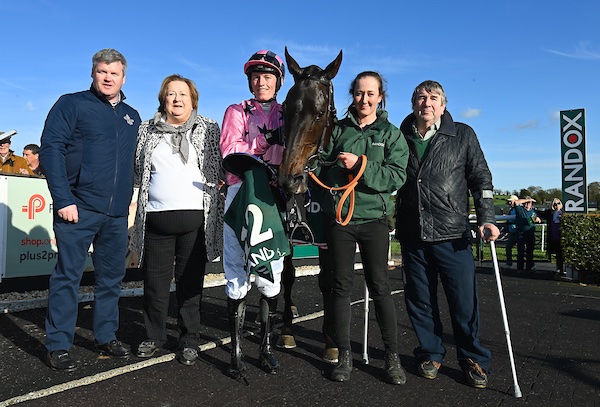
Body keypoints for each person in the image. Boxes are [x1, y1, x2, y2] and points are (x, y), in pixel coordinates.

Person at [39, 49, 140, 371]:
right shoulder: (71, 104)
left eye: (114, 73)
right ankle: (58, 345)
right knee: (67, 276)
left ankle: (106, 335)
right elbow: (51, 149)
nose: (108, 78)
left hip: (115, 213)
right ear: (93, 73)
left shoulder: (131, 116)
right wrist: (64, 198)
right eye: (102, 72)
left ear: (124, 78)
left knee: (111, 278)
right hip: (78, 207)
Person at [395, 80, 499, 389]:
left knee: (463, 303)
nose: (426, 102)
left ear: (443, 104)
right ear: (413, 103)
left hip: (452, 235)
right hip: (413, 234)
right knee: (420, 301)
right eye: (420, 97)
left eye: (433, 98)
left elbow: (480, 176)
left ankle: (473, 358)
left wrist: (487, 217)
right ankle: (430, 353)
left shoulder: (463, 134)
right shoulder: (399, 136)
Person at [318, 71, 409, 384]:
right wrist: (332, 176)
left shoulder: (392, 134)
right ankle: (344, 356)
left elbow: (396, 176)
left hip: (374, 221)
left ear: (380, 96)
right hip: (341, 221)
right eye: (359, 93)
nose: (364, 99)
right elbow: (320, 166)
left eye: (371, 94)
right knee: (341, 286)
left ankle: (392, 358)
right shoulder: (337, 130)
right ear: (352, 95)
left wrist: (360, 166)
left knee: (380, 286)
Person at [129, 75, 224, 365]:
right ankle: (154, 336)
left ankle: (189, 340)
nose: (177, 99)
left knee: (190, 285)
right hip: (156, 219)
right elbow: (137, 169)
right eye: (171, 94)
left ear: (192, 99)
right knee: (155, 285)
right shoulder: (147, 129)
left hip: (195, 222)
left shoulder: (208, 128)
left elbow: (217, 167)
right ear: (163, 99)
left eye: (183, 94)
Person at [220, 50, 286, 379]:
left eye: (268, 76)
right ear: (249, 80)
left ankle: (266, 347)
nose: (261, 82)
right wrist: (265, 143)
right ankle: (235, 352)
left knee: (270, 270)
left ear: (279, 81)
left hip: (272, 197)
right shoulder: (236, 110)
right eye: (256, 76)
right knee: (235, 269)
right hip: (240, 195)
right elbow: (231, 150)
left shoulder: (289, 114)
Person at [514, 196, 542, 273]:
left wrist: (538, 220)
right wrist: (527, 199)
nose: (528, 204)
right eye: (526, 203)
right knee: (521, 251)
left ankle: (529, 267)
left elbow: (538, 219)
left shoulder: (533, 211)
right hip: (521, 233)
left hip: (530, 233)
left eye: (529, 203)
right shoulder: (520, 209)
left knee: (530, 251)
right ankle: (520, 268)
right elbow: (516, 202)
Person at [546, 198, 564, 274]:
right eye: (555, 204)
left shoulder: (563, 213)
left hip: (561, 235)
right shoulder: (551, 213)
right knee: (557, 252)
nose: (557, 205)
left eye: (558, 203)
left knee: (562, 252)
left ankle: (563, 268)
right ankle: (559, 267)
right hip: (554, 235)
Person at [503, 195, 519, 269]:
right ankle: (509, 263)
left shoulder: (518, 209)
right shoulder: (511, 210)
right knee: (508, 247)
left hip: (518, 232)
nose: (509, 202)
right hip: (512, 232)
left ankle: (530, 264)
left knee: (522, 249)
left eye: (511, 201)